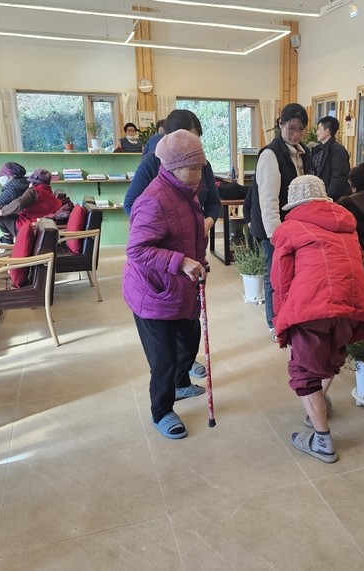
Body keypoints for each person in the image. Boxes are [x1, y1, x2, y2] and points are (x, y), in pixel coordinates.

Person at [271, 175, 364, 463]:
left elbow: (281, 280)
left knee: (304, 370)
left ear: (294, 204)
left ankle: (322, 442)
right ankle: (316, 411)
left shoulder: (289, 228)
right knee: (331, 355)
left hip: (313, 304)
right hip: (353, 301)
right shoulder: (347, 225)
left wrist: (281, 319)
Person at [124, 109, 221, 386]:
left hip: (188, 261)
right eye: (186, 138)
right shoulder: (152, 170)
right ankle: (173, 381)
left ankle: (182, 372)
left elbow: (212, 202)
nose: (191, 146)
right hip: (162, 267)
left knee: (189, 328)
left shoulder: (199, 162)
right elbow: (133, 210)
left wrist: (202, 223)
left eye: (196, 139)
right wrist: (166, 228)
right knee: (165, 347)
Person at [123, 130, 209, 440]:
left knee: (189, 341)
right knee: (163, 359)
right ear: (173, 166)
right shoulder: (154, 200)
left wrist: (199, 261)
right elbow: (137, 250)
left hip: (179, 287)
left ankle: (180, 383)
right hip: (153, 292)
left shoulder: (186, 192)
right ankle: (161, 411)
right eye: (192, 167)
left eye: (200, 166)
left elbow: (189, 235)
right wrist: (182, 262)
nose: (198, 174)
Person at [248, 103, 313, 342]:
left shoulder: (304, 152)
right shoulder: (270, 154)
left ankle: (291, 316)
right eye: (291, 128)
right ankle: (273, 322)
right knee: (274, 275)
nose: (295, 134)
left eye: (300, 129)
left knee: (293, 275)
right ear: (280, 124)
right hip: (275, 229)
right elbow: (268, 200)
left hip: (297, 227)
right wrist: (276, 236)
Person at [0, 169, 62, 241]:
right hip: (41, 224)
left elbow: (19, 203)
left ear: (33, 182)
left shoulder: (34, 191)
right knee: (8, 210)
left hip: (27, 226)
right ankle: (12, 238)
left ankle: (7, 239)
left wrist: (1, 212)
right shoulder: (49, 192)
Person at [311, 116, 351, 202]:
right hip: (321, 196)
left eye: (319, 129)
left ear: (327, 132)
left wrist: (328, 197)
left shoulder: (338, 151)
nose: (317, 133)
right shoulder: (318, 149)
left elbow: (339, 176)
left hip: (334, 199)